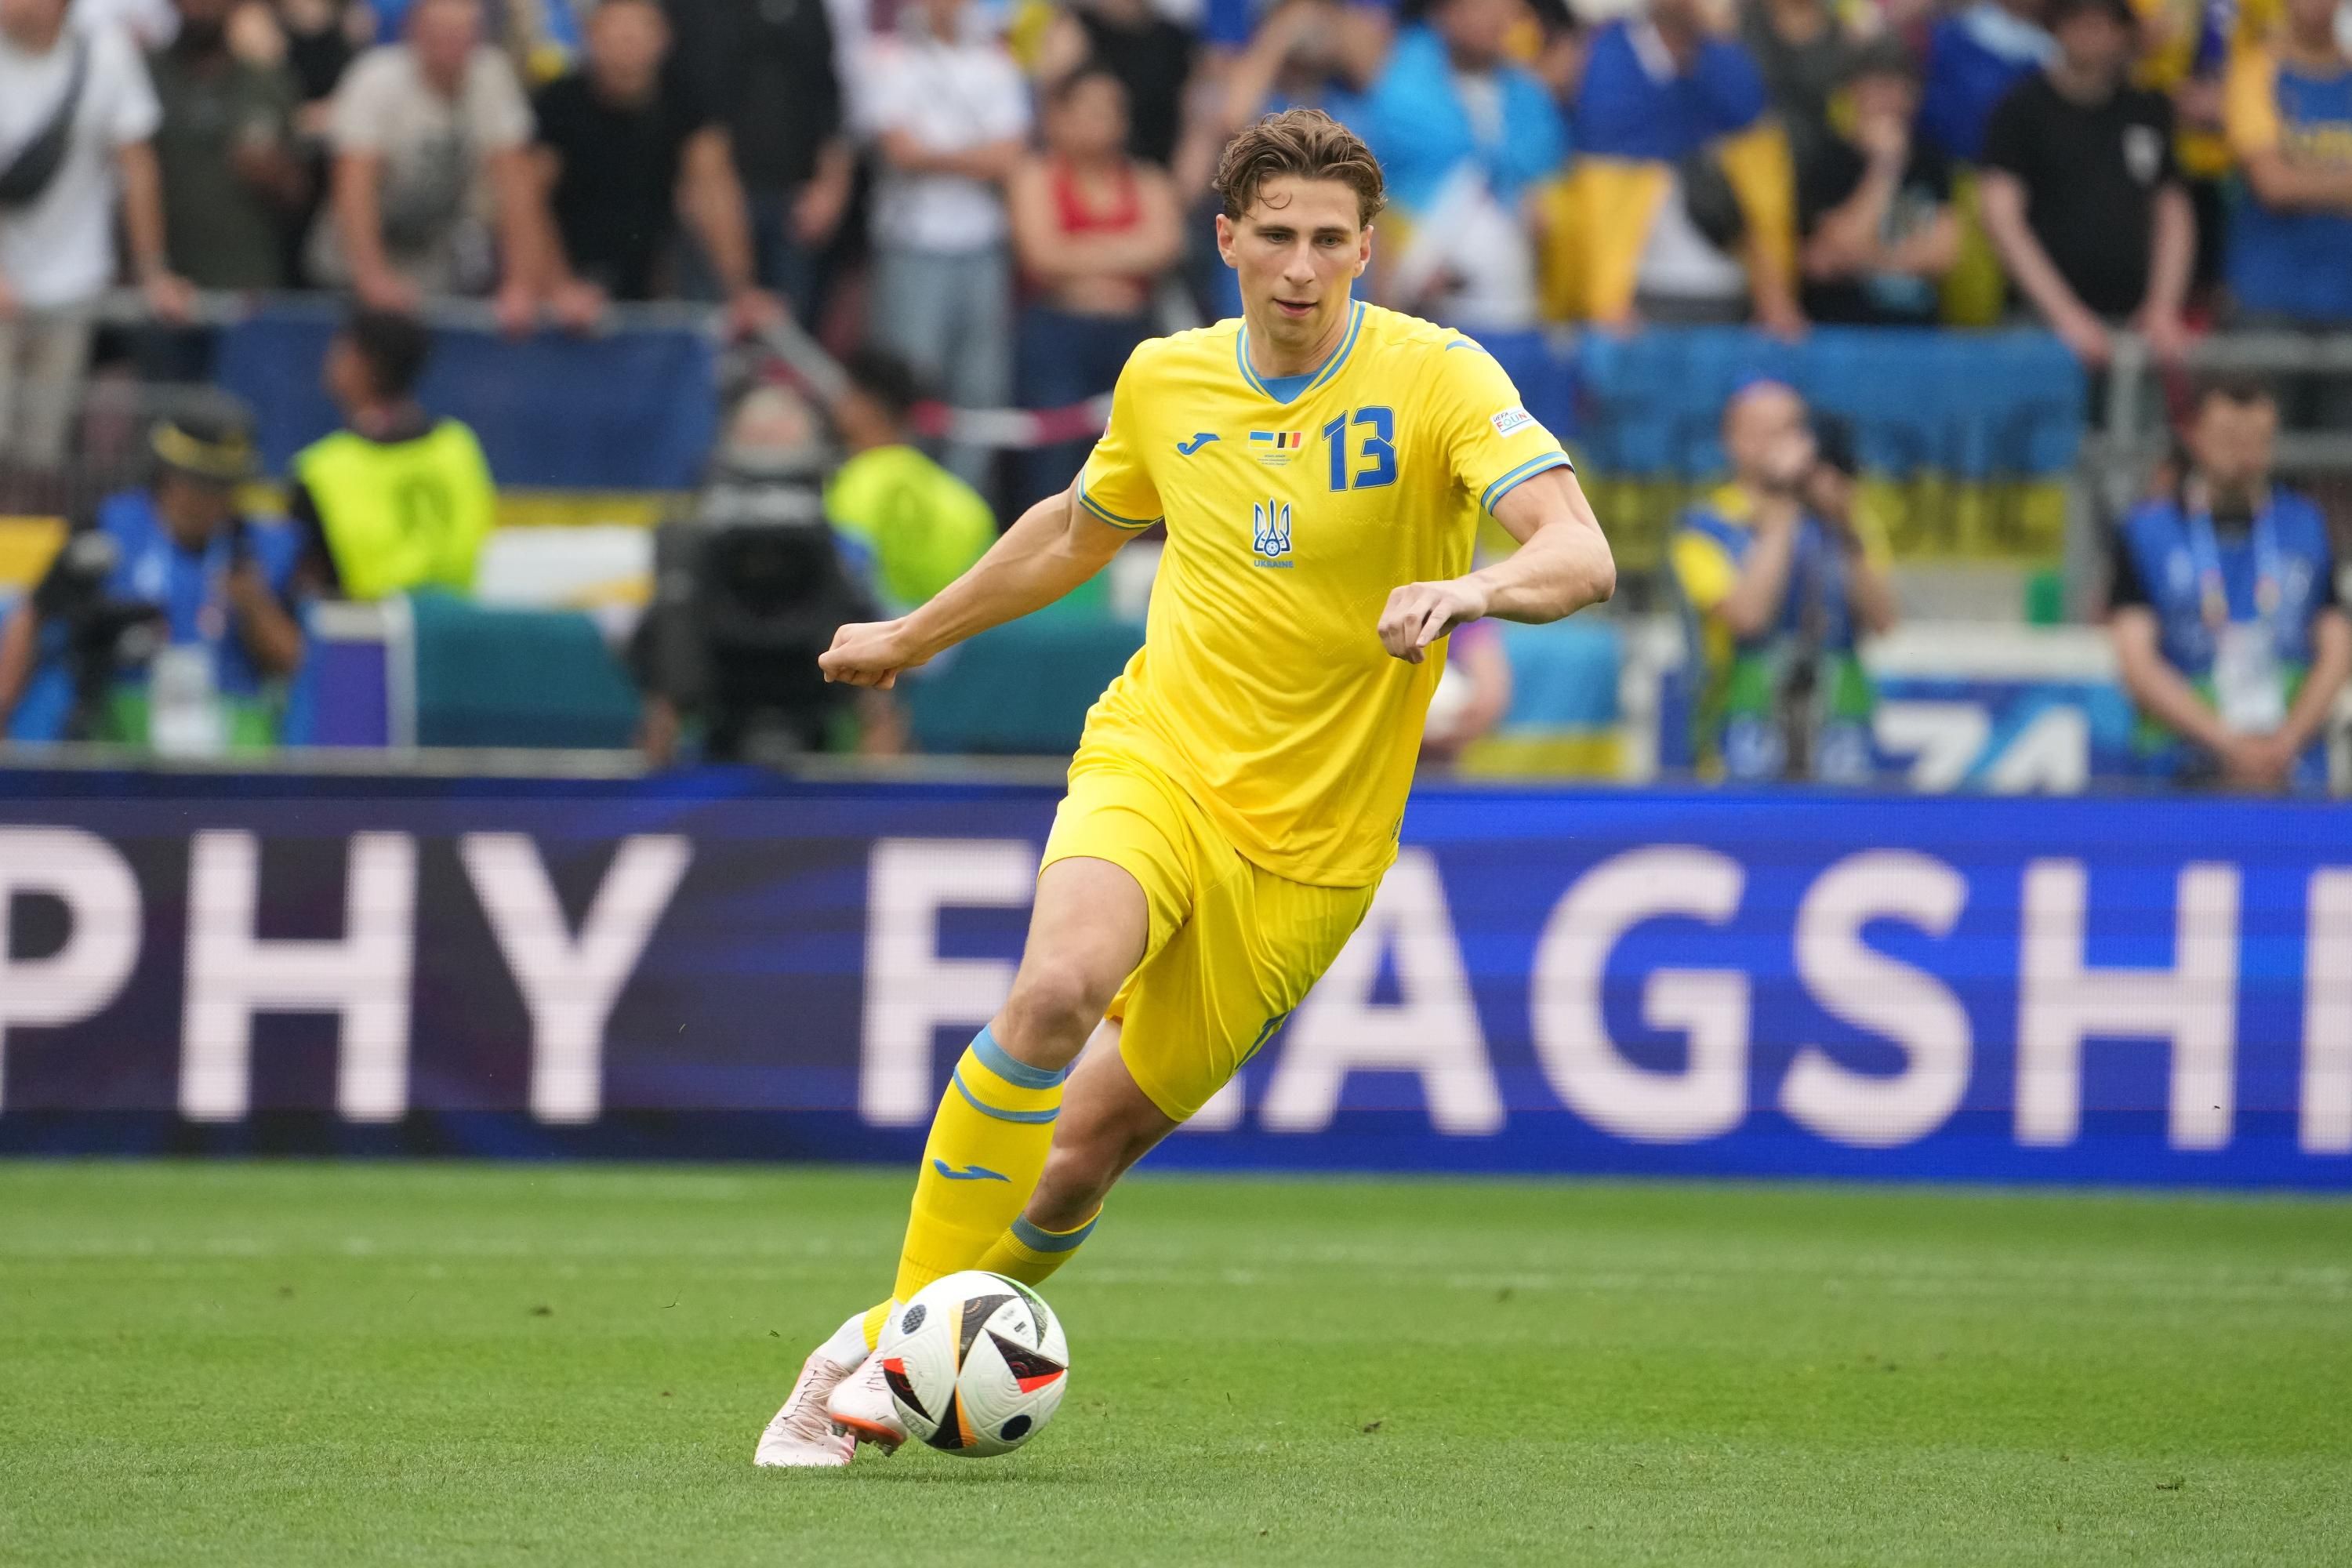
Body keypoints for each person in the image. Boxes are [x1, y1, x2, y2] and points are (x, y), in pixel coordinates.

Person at [756, 107, 1615, 1468]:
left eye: (1329, 240)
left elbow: (1582, 553)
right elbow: (1073, 530)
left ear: (1368, 249)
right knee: (1055, 989)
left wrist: (1476, 588)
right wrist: (915, 634)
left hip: (1312, 856)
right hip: (1160, 759)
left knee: (1078, 1161)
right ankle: (879, 1364)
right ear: (1226, 239)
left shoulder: (1441, 378)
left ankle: (887, 1339)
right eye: (1275, 236)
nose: (1300, 267)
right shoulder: (1166, 380)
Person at [0, 407, 303, 747]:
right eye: (202, 484)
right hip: (120, 729)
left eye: (225, 486)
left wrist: (256, 607)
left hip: (232, 736)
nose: (214, 500)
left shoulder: (265, 549)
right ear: (169, 476)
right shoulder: (106, 529)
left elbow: (298, 663)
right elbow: (33, 615)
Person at [2109, 376, 2350, 792]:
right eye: (2229, 438)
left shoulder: (2307, 525)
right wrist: (2228, 744)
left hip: (2291, 765)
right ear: (2194, 436)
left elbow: (2337, 645)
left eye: (2258, 439)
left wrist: (2285, 742)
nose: (2244, 453)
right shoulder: (2147, 533)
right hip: (2179, 766)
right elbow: (2137, 661)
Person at [1669, 383, 1895, 784]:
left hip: (1839, 720)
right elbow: (1748, 617)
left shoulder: (1841, 519)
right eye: (1766, 432)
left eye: (1793, 429)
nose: (1786, 445)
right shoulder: (1704, 528)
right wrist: (1781, 512)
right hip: (1741, 716)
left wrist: (1844, 525)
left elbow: (1884, 620)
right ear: (1734, 441)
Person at [0, 0, 192, 468]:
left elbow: (137, 167)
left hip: (73, 288)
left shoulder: (107, 52)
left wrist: (153, 272)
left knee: (42, 457)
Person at [856, 0, 1029, 489]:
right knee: (908, 385)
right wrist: (977, 157)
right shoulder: (889, 59)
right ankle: (903, 497)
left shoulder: (996, 63)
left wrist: (935, 153)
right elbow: (900, 151)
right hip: (912, 242)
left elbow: (1010, 156)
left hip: (982, 243)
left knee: (979, 389)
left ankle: (964, 504)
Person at [526, 0, 779, 335]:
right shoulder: (557, 105)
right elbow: (527, 202)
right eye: (616, 31)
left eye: (639, 29)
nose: (628, 42)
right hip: (559, 291)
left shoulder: (685, 104)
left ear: (664, 38)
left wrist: (741, 288)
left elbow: (715, 196)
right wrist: (558, 286)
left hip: (644, 284)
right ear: (590, 36)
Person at [1559, 0, 1805, 335]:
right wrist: (1604, 298)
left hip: (1728, 291)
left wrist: (1775, 294)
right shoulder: (1608, 58)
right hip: (1642, 296)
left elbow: (1762, 190)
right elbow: (1594, 189)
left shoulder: (1729, 62)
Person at [1977, 0, 2194, 369]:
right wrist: (2065, 315)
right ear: (2056, 26)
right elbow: (2002, 219)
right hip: (2040, 327)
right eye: (2078, 19)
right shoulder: (2020, 110)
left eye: (2105, 22)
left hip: (2136, 328)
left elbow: (2172, 211)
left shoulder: (2147, 109)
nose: (2091, 34)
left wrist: (2163, 306)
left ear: (2125, 33)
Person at [307, 0, 543, 329]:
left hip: (434, 273)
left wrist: (520, 282)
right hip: (347, 270)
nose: (449, 45)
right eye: (438, 33)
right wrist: (372, 278)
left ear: (479, 36)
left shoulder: (492, 76)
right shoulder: (375, 79)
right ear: (412, 32)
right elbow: (353, 188)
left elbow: (516, 185)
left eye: (461, 33)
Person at [1008, 67, 1183, 507]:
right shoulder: (1036, 176)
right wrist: (1127, 248)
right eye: (1087, 109)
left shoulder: (1148, 180)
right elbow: (1041, 256)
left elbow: (1165, 246)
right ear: (1059, 117)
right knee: (1056, 462)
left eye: (1109, 109)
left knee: (1137, 460)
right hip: (1057, 336)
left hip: (1132, 337)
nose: (1099, 120)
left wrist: (1076, 250)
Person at [1358, 0, 1568, 333]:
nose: (1495, 17)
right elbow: (1374, 199)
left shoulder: (1530, 97)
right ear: (1443, 11)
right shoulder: (1398, 86)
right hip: (1421, 311)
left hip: (1518, 312)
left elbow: (1551, 184)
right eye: (1480, 6)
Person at [287, 307, 495, 601]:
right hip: (459, 623)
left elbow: (307, 583)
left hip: (365, 627)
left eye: (340, 352)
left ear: (362, 363)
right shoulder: (459, 445)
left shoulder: (321, 469)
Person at [662, 0, 850, 323]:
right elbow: (696, 118)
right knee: (718, 330)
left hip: (796, 201)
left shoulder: (808, 8)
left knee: (790, 337)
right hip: (717, 195)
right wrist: (716, 213)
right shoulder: (690, 9)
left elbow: (829, 93)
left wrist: (830, 185)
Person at [2222, 0, 2352, 424]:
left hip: (2345, 300)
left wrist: (2302, 175)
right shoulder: (2255, 70)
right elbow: (2272, 185)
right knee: (2264, 444)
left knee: (2339, 456)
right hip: (2268, 300)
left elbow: (2285, 178)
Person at [1796, 40, 1960, 325]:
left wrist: (1859, 260)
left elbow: (1943, 256)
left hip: (1916, 331)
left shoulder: (1931, 163)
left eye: (1900, 87)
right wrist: (1884, 168)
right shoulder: (1827, 160)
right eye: (1878, 87)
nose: (1889, 99)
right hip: (1841, 329)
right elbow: (1834, 249)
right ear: (1854, 90)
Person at [825, 346, 996, 617]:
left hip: (883, 630)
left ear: (865, 406)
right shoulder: (965, 501)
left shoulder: (853, 486)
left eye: (847, 395)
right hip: (956, 633)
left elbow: (849, 576)